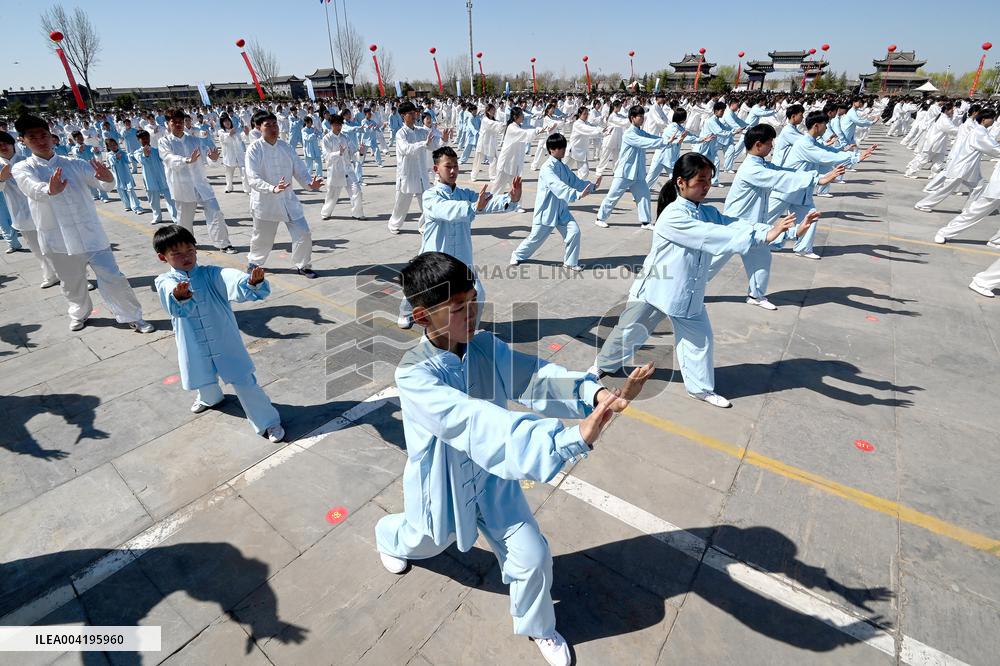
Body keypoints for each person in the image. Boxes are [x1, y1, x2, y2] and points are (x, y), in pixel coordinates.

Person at [375, 250, 655, 666]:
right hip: (442, 482)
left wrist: (591, 394)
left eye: (474, 301)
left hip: (494, 476)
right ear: (421, 317)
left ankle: (539, 626)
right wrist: (564, 440)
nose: (472, 315)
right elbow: (474, 422)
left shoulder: (486, 345)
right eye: (457, 308)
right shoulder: (414, 374)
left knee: (533, 555)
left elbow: (535, 377)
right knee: (426, 540)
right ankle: (386, 534)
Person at [588, 152, 802, 408]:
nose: (706, 186)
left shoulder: (707, 212)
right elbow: (714, 235)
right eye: (701, 180)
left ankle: (700, 388)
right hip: (656, 288)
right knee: (629, 333)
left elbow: (735, 224)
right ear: (681, 182)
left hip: (685, 293)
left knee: (700, 340)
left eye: (709, 180)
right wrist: (765, 236)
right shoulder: (673, 216)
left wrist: (772, 232)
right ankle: (601, 366)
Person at [11, 114, 155, 333]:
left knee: (113, 276)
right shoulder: (23, 168)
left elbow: (101, 184)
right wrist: (49, 190)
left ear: (52, 136)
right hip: (57, 238)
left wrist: (107, 178)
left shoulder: (74, 163)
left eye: (44, 135)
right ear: (22, 140)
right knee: (72, 283)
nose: (41, 140)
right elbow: (31, 188)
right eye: (33, 137)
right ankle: (79, 312)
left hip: (90, 233)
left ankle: (131, 316)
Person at [153, 224, 285, 443]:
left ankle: (268, 422)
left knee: (243, 379)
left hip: (224, 338)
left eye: (190, 251)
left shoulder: (211, 274)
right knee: (201, 373)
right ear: (162, 257)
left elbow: (230, 277)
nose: (186, 258)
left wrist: (250, 282)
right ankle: (210, 398)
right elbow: (171, 300)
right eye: (177, 254)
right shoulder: (165, 281)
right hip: (192, 339)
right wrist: (179, 295)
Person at [707, 124, 830, 311]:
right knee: (712, 263)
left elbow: (784, 172)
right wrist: (816, 180)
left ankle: (756, 295)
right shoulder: (752, 169)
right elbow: (778, 179)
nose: (772, 146)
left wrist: (813, 176)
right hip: (736, 225)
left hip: (755, 226)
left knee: (762, 258)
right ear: (758, 145)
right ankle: (683, 289)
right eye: (769, 143)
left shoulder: (761, 163)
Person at [397, 146, 520, 329]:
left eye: (456, 165)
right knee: (421, 291)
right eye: (448, 166)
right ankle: (406, 313)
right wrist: (473, 208)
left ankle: (469, 332)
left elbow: (486, 201)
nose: (453, 170)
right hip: (435, 259)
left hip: (461, 259)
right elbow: (446, 210)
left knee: (477, 293)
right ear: (436, 169)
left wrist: (511, 199)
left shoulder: (465, 194)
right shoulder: (431, 196)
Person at [244, 110, 324, 279]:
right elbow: (252, 177)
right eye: (268, 125)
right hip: (265, 201)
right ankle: (254, 263)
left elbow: (299, 169)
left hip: (288, 200)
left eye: (275, 124)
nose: (273, 128)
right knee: (262, 238)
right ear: (258, 127)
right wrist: (272, 188)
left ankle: (303, 265)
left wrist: (309, 183)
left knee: (303, 233)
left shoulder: (285, 146)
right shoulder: (254, 149)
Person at [510, 133, 600, 271]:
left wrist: (592, 186)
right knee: (535, 238)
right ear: (551, 149)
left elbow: (575, 181)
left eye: (564, 147)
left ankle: (570, 262)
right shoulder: (547, 168)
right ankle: (517, 255)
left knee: (574, 232)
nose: (563, 150)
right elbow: (557, 186)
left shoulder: (562, 166)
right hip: (547, 210)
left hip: (561, 210)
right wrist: (577, 195)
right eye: (560, 148)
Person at [158, 108, 237, 254]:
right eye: (174, 122)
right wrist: (186, 160)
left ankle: (223, 243)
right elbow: (168, 158)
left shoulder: (193, 140)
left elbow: (208, 157)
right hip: (182, 186)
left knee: (215, 212)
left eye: (180, 122)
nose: (178, 124)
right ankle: (186, 244)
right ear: (168, 123)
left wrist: (212, 158)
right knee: (184, 220)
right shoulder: (164, 142)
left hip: (201, 183)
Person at [594, 105, 669, 230]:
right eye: (639, 116)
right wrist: (664, 142)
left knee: (644, 196)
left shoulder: (640, 131)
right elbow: (645, 142)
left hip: (638, 173)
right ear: (632, 118)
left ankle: (645, 222)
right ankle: (600, 218)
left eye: (642, 116)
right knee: (613, 196)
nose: (642, 118)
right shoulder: (629, 134)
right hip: (624, 172)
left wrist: (668, 139)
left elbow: (651, 138)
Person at [0, 131, 58, 284]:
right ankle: (50, 275)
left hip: (41, 209)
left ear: (13, 144)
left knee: (56, 244)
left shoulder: (26, 161)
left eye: (5, 143)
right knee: (37, 248)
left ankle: (78, 276)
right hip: (20, 213)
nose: (3, 147)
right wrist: (1, 179)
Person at [918, 108, 1000, 213]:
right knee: (947, 189)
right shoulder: (979, 132)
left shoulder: (980, 130)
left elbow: (990, 144)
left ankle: (969, 209)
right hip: (963, 165)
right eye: (991, 118)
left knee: (978, 186)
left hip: (969, 166)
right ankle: (922, 204)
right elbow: (991, 148)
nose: (993, 120)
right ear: (984, 119)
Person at [388, 101, 442, 234]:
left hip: (421, 173)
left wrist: (443, 140)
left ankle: (424, 226)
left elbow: (433, 145)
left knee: (426, 201)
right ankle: (394, 224)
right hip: (407, 174)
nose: (414, 115)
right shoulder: (401, 134)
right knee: (401, 204)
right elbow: (407, 149)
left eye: (414, 113)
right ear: (403, 115)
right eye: (410, 113)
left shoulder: (421, 131)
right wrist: (423, 143)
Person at [320, 113, 365, 220]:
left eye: (340, 124)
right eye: (336, 125)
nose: (338, 127)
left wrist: (361, 153)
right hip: (335, 171)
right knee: (331, 196)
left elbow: (353, 153)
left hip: (348, 171)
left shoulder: (345, 138)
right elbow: (326, 156)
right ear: (331, 125)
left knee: (357, 190)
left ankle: (357, 213)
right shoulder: (326, 139)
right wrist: (338, 153)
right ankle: (325, 213)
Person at [134, 129, 178, 225]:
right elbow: (142, 161)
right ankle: (157, 217)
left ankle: (175, 217)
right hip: (150, 180)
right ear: (138, 140)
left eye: (147, 138)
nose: (146, 140)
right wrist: (145, 155)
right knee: (153, 200)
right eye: (143, 139)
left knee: (170, 199)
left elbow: (165, 159)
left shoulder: (156, 150)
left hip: (162, 178)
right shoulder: (137, 153)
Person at [104, 137, 144, 214]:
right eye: (111, 145)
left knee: (130, 190)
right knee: (121, 191)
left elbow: (128, 159)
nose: (114, 146)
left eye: (115, 144)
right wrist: (116, 158)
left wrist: (131, 156)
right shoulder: (109, 155)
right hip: (117, 177)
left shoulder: (123, 153)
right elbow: (111, 162)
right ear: (108, 147)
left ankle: (136, 207)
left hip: (126, 175)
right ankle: (127, 205)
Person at [216, 115, 248, 194]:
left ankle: (247, 189)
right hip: (229, 156)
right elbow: (223, 139)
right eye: (225, 121)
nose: (227, 122)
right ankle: (229, 187)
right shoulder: (221, 132)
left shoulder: (235, 130)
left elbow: (241, 137)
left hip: (239, 154)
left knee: (244, 172)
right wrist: (229, 134)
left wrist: (246, 133)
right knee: (229, 173)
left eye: (228, 121)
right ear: (222, 123)